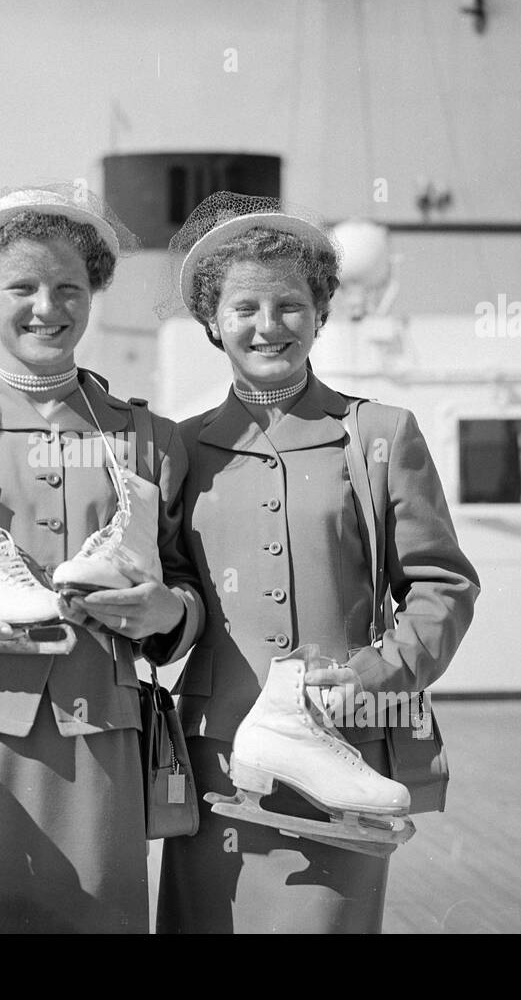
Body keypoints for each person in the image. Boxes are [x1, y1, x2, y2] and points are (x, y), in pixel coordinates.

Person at [0, 186, 205, 933]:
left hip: (103, 746)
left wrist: (169, 614)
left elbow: (185, 588)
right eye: (21, 288)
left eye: (68, 288)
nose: (45, 308)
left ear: (93, 291)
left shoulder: (149, 436)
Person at [156, 193, 480, 934]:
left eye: (290, 305)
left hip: (346, 753)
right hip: (220, 760)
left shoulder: (379, 434)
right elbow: (173, 592)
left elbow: (442, 586)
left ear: (322, 312)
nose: (267, 326)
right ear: (211, 321)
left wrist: (374, 676)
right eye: (244, 308)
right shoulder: (178, 447)